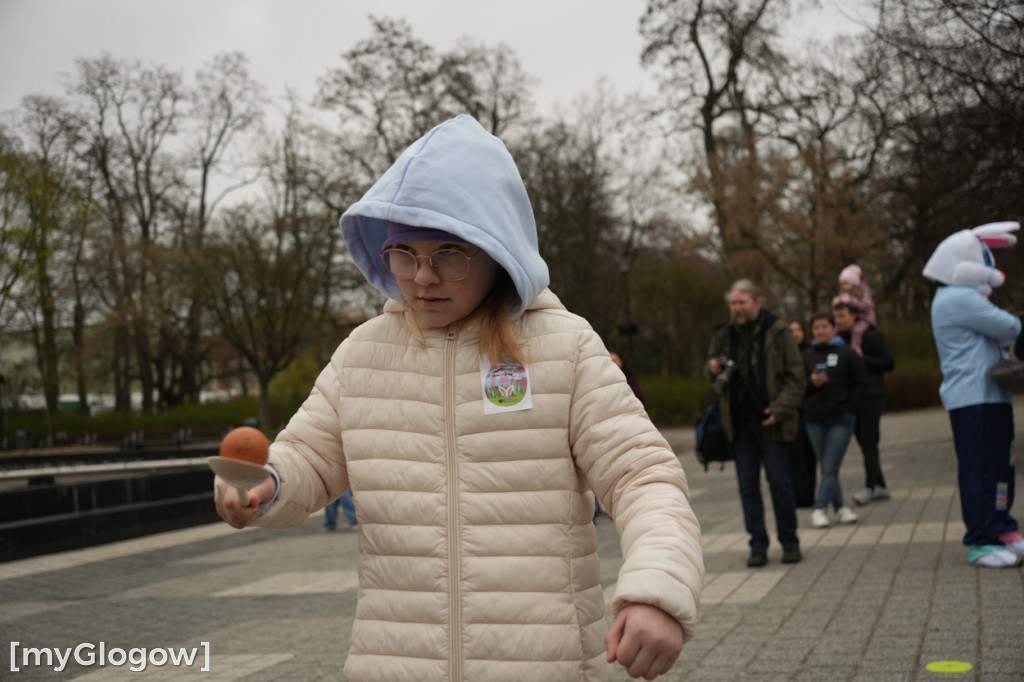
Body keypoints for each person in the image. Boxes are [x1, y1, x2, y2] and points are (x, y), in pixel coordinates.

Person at [214, 115, 704, 681]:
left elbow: (644, 478)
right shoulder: (362, 353)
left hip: (546, 667)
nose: (423, 276)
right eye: (404, 252)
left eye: (449, 251)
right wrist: (264, 482)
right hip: (394, 664)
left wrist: (658, 590)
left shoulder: (565, 346)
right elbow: (308, 459)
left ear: (498, 248)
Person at [923, 221, 1024, 568]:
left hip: (990, 395)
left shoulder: (962, 296)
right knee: (981, 468)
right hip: (972, 398)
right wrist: (1008, 324)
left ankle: (1002, 527)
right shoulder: (957, 297)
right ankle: (981, 539)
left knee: (1000, 466)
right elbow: (1008, 326)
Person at [705, 280, 806, 568]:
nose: (737, 308)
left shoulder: (779, 331)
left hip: (771, 420)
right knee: (747, 487)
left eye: (742, 303)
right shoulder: (724, 334)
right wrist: (712, 368)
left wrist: (780, 409)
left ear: (758, 302)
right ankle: (757, 546)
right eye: (733, 303)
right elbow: (710, 370)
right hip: (738, 424)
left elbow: (797, 375)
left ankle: (790, 542)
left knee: (780, 484)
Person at [801, 311, 866, 528]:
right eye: (816, 327)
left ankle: (819, 508)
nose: (820, 331)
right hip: (814, 419)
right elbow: (797, 387)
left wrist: (850, 408)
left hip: (841, 418)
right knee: (829, 466)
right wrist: (812, 383)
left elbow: (861, 383)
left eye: (824, 326)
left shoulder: (847, 353)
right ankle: (841, 507)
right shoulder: (806, 356)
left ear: (832, 328)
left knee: (829, 466)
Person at [832, 301, 895, 506]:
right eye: (836, 317)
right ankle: (881, 486)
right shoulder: (838, 340)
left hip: (871, 395)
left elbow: (889, 363)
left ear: (854, 316)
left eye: (842, 316)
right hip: (852, 396)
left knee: (869, 440)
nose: (838, 321)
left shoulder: (870, 335)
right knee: (864, 441)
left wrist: (863, 358)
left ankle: (870, 487)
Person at [786, 317, 817, 508]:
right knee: (795, 456)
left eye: (798, 329)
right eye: (791, 331)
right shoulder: (784, 356)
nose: (795, 333)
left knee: (811, 455)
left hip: (810, 410)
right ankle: (799, 495)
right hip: (792, 412)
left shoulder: (811, 353)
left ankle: (810, 493)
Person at [832, 264, 876, 350]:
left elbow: (865, 306)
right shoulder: (846, 294)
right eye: (842, 283)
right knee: (835, 329)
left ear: (854, 283)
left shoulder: (864, 292)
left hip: (865, 319)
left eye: (846, 283)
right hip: (854, 319)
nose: (843, 286)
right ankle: (833, 346)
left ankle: (854, 348)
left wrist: (850, 301)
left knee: (857, 331)